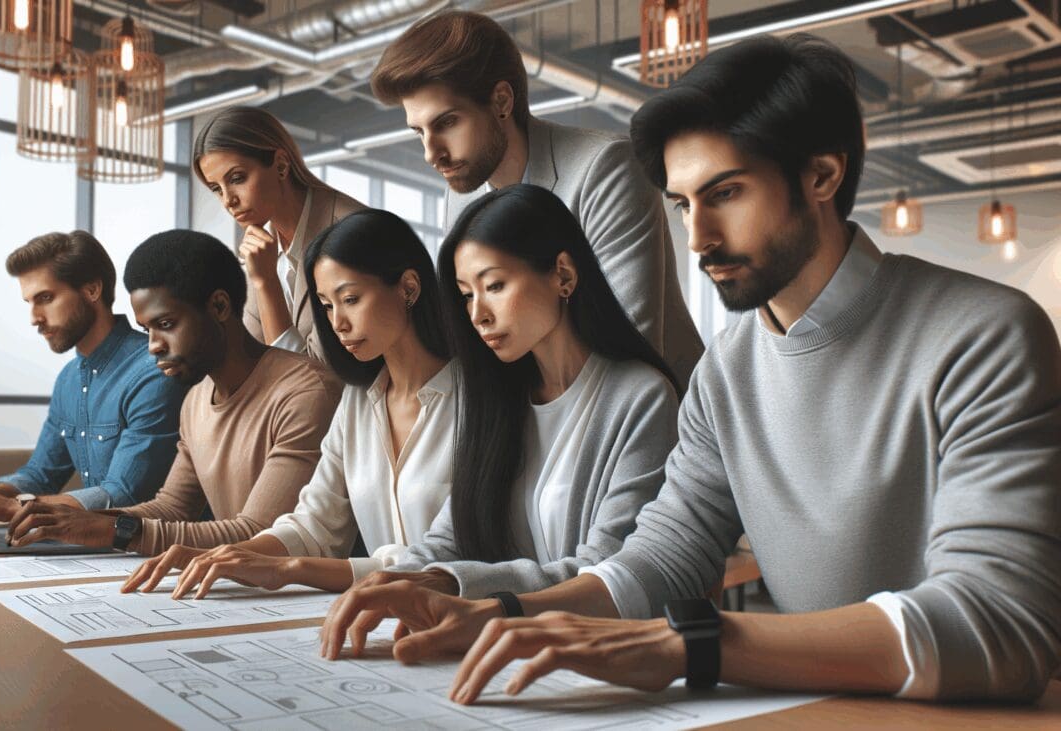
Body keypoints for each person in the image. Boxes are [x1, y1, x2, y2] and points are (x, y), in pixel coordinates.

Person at [319, 34, 1061, 704]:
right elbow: (663, 557)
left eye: (725, 194)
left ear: (822, 175)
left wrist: (694, 643)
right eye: (681, 204)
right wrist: (501, 612)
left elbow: (998, 619)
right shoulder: (724, 372)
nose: (699, 236)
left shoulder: (984, 335)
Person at [332, 184, 680, 607]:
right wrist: (396, 580)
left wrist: (452, 583)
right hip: (501, 632)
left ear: (563, 275)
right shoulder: (498, 399)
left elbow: (604, 571)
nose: (477, 314)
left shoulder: (641, 398)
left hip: (588, 638)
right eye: (466, 295)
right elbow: (449, 538)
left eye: (494, 286)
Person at [119, 210, 455, 598]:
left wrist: (289, 568)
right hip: (382, 612)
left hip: (460, 615)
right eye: (326, 306)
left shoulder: (475, 401)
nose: (338, 323)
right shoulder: (359, 401)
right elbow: (315, 524)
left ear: (408, 288)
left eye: (350, 299)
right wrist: (228, 555)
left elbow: (448, 558)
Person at [370, 10, 702, 387]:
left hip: (651, 407)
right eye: (419, 132)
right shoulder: (461, 198)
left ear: (501, 101)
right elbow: (470, 339)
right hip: (536, 402)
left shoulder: (606, 168)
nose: (432, 154)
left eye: (446, 123)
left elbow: (628, 340)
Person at [3, 229, 342, 555]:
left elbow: (261, 533)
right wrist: (72, 521)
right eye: (146, 329)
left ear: (219, 306)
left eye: (165, 324)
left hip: (311, 590)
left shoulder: (306, 392)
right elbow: (173, 507)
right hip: (237, 580)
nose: (153, 346)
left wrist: (111, 529)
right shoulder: (196, 399)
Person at [0, 231, 185, 523]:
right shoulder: (69, 380)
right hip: (89, 542)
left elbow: (123, 495)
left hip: (154, 545)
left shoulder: (154, 372)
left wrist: (12, 506)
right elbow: (40, 475)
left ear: (92, 290)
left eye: (45, 298)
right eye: (29, 302)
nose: (34, 318)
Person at [194, 106, 366, 363]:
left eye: (237, 178)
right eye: (217, 189)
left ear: (281, 166)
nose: (228, 201)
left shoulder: (351, 233)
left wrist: (266, 282)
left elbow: (316, 375)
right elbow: (248, 357)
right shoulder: (261, 246)